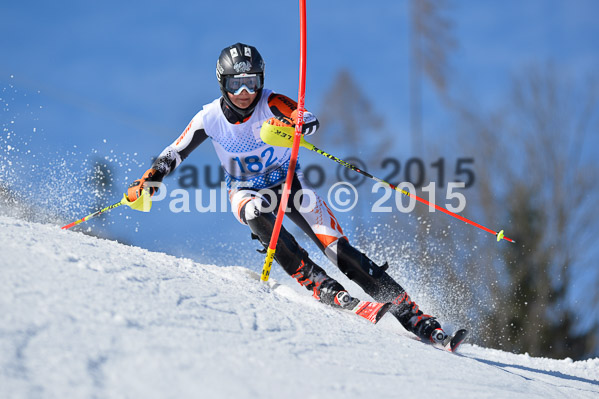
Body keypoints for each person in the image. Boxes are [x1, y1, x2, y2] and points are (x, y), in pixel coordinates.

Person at [127, 42, 448, 344]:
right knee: (255, 215)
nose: (244, 93)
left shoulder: (270, 102)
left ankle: (413, 316)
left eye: (251, 83)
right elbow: (173, 152)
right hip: (246, 191)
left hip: (290, 186)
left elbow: (303, 116)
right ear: (221, 84)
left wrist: (297, 127)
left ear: (260, 81)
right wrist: (149, 180)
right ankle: (320, 284)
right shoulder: (209, 118)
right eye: (235, 84)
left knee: (339, 250)